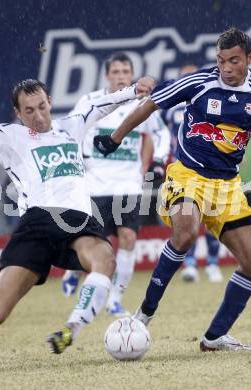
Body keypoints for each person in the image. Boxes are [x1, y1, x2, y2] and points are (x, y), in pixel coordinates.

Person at [93, 27, 251, 351]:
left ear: (250, 58)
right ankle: (143, 316)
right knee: (187, 231)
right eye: (221, 61)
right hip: (186, 175)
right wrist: (115, 137)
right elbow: (151, 104)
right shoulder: (199, 82)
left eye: (234, 61)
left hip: (227, 187)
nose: (226, 68)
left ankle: (215, 336)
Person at [0, 55, 154, 354]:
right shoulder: (10, 137)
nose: (38, 116)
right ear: (17, 112)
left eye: (42, 107)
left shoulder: (71, 126)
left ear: (50, 101)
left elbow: (101, 106)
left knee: (105, 260)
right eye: (29, 111)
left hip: (78, 219)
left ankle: (71, 329)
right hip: (37, 223)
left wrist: (134, 91)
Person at [61, 52, 170, 316]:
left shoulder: (143, 102)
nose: (121, 76)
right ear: (107, 76)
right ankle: (73, 271)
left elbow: (160, 133)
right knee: (95, 243)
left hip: (128, 185)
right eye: (116, 72)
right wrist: (77, 164)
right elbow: (69, 132)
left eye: (125, 72)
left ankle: (115, 298)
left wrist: (156, 161)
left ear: (132, 75)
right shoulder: (90, 102)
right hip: (96, 185)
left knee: (128, 238)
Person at [164, 63, 223, 283]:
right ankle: (189, 264)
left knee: (211, 218)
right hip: (182, 171)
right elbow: (162, 137)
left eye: (192, 76)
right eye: (183, 77)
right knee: (187, 219)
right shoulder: (169, 109)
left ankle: (213, 264)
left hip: (211, 170)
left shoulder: (211, 104)